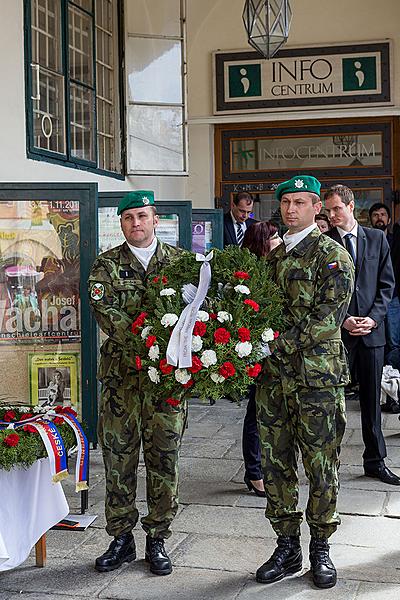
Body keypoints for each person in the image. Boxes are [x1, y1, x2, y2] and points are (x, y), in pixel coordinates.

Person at [255, 175, 354, 589]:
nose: (291, 209)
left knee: (320, 466)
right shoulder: (272, 260)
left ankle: (321, 548)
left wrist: (269, 345)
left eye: (300, 202)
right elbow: (255, 311)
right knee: (276, 466)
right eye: (286, 203)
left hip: (317, 382)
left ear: (318, 208)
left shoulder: (332, 256)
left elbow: (327, 322)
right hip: (274, 383)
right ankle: (286, 544)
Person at [88, 190, 185, 576]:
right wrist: (151, 341)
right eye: (129, 218)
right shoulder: (106, 265)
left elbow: (200, 311)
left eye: (142, 216)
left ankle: (158, 538)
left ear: (156, 218)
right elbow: (105, 313)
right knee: (118, 460)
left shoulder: (181, 263)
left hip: (166, 383)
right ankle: (121, 538)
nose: (136, 224)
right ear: (121, 223)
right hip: (121, 382)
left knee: (164, 459)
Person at [325, 185, 400, 485]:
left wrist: (372, 319)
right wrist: (343, 320)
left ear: (351, 206)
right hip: (337, 335)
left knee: (371, 402)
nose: (331, 216)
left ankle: (375, 462)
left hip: (371, 333)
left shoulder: (377, 238)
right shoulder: (324, 243)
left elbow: (386, 285)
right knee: (331, 403)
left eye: (336, 209)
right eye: (327, 211)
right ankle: (328, 466)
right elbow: (322, 292)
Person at [241, 221, 282, 498]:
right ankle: (254, 472)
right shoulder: (252, 274)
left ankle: (267, 468)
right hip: (260, 352)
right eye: (274, 237)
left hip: (281, 351)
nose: (280, 241)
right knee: (257, 412)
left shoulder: (282, 266)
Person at [369, 203, 400, 411]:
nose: (379, 218)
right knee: (377, 344)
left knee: (394, 343)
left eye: (382, 215)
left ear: (388, 219)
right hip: (372, 300)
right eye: (375, 215)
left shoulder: (396, 240)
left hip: (395, 298)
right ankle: (378, 390)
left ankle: (394, 392)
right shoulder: (368, 239)